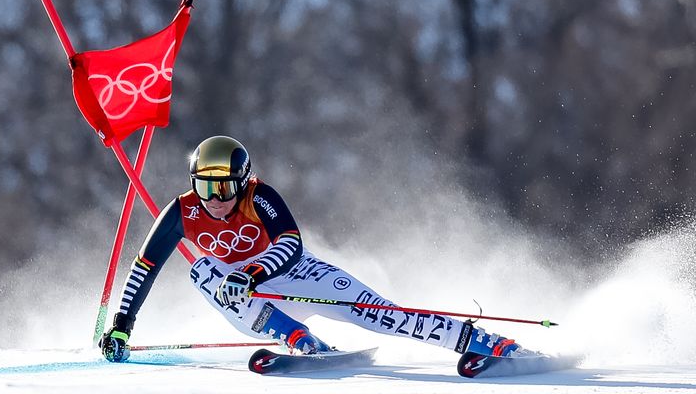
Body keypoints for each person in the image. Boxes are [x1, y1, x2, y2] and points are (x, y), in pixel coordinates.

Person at [99, 135, 530, 362]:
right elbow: (145, 267)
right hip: (249, 304)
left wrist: (251, 273)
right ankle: (296, 337)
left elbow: (290, 243)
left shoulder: (258, 196)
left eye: (224, 186)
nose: (215, 198)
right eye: (205, 186)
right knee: (203, 271)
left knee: (379, 313)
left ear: (243, 180)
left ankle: (482, 342)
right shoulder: (181, 211)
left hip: (288, 274)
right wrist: (122, 324)